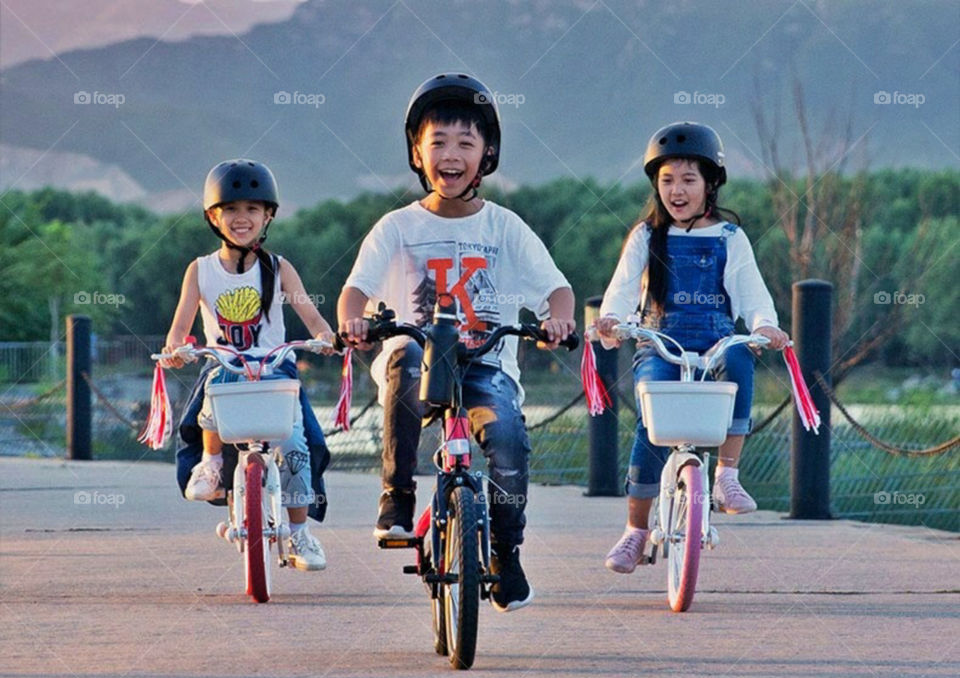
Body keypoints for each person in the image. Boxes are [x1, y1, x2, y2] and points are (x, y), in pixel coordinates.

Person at [337, 73, 576, 611]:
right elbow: (356, 289)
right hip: (422, 365)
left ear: (486, 154)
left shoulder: (506, 228)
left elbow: (556, 289)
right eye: (437, 142)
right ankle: (397, 500)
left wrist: (557, 321)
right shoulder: (397, 228)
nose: (451, 154)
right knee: (402, 354)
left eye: (465, 143)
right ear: (417, 154)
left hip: (486, 365)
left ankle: (506, 551)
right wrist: (354, 321)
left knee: (509, 440)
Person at [594, 122, 790, 574]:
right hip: (659, 344)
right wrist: (613, 322)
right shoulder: (646, 237)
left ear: (711, 184)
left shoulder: (729, 238)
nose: (676, 190)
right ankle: (635, 531)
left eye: (688, 180)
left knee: (740, 358)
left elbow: (752, 295)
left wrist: (765, 327)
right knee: (652, 423)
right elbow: (622, 292)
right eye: (667, 180)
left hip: (716, 342)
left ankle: (727, 476)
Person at [161, 158, 336, 571]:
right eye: (231, 209)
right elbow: (180, 327)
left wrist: (327, 337)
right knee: (217, 374)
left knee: (296, 446)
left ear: (268, 215)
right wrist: (176, 349)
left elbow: (310, 316)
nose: (242, 219)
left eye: (252, 209)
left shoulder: (278, 269)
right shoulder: (200, 271)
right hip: (226, 367)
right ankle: (212, 461)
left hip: (275, 370)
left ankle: (299, 533)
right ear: (212, 216)